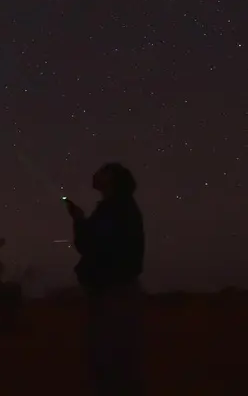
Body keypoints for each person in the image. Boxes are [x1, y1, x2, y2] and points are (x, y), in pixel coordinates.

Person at [65, 162, 145, 395]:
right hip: (112, 293)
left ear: (112, 179)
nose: (95, 172)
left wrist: (80, 221)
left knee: (112, 363)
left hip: (113, 294)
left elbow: (91, 244)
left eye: (103, 170)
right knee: (116, 362)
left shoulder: (116, 209)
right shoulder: (116, 208)